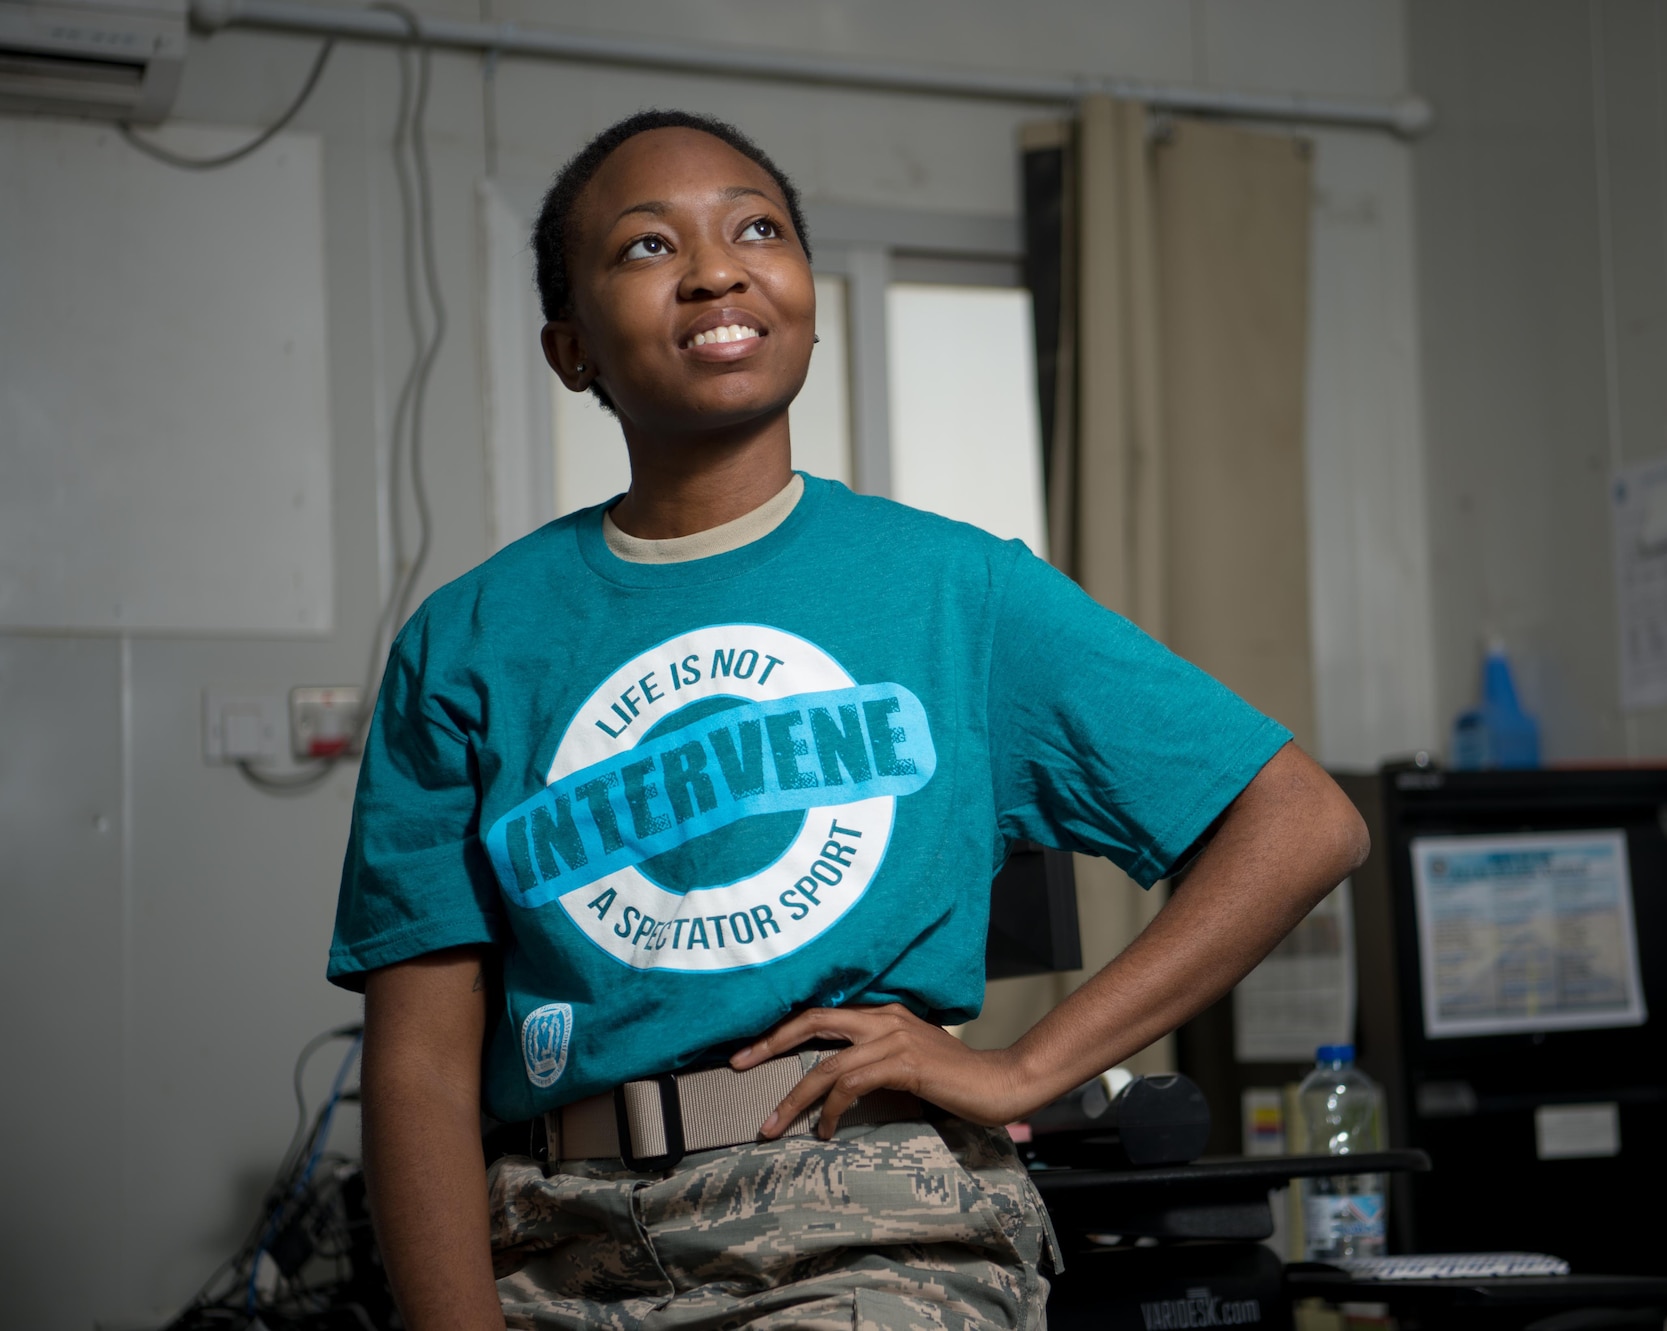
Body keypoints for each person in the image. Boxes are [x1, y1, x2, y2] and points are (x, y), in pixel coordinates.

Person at [330, 108, 1370, 1331]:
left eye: (756, 228)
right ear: (570, 349)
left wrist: (1026, 1067)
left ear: (804, 297)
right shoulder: (466, 641)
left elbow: (1300, 823)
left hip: (870, 1227)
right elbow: (418, 1066)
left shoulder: (957, 590)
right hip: (552, 1237)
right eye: (646, 246)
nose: (715, 266)